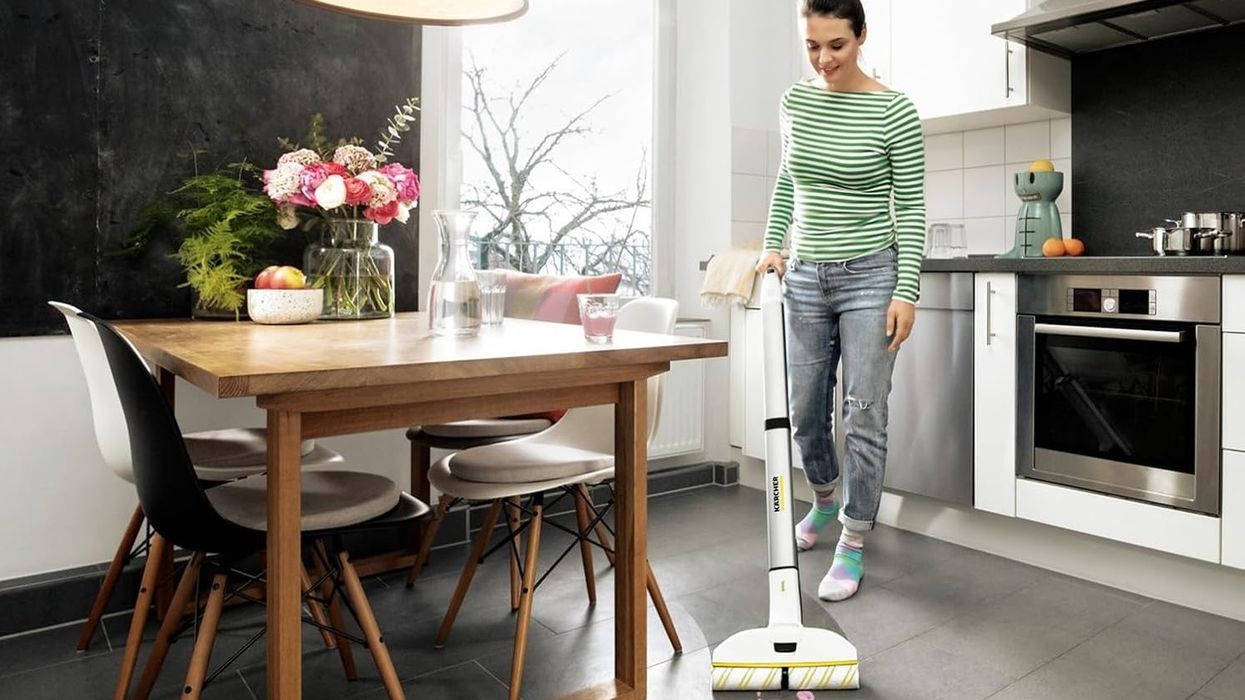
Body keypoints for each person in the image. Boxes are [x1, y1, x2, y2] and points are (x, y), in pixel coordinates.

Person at [754, 0, 925, 602]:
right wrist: (773, 244)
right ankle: (824, 499)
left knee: (863, 411)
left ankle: (853, 540)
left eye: (836, 45)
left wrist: (907, 288)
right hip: (804, 276)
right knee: (803, 411)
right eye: (812, 46)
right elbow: (786, 178)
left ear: (861, 38)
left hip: (871, 277)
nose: (823, 59)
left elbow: (911, 208)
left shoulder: (894, 110)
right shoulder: (795, 101)